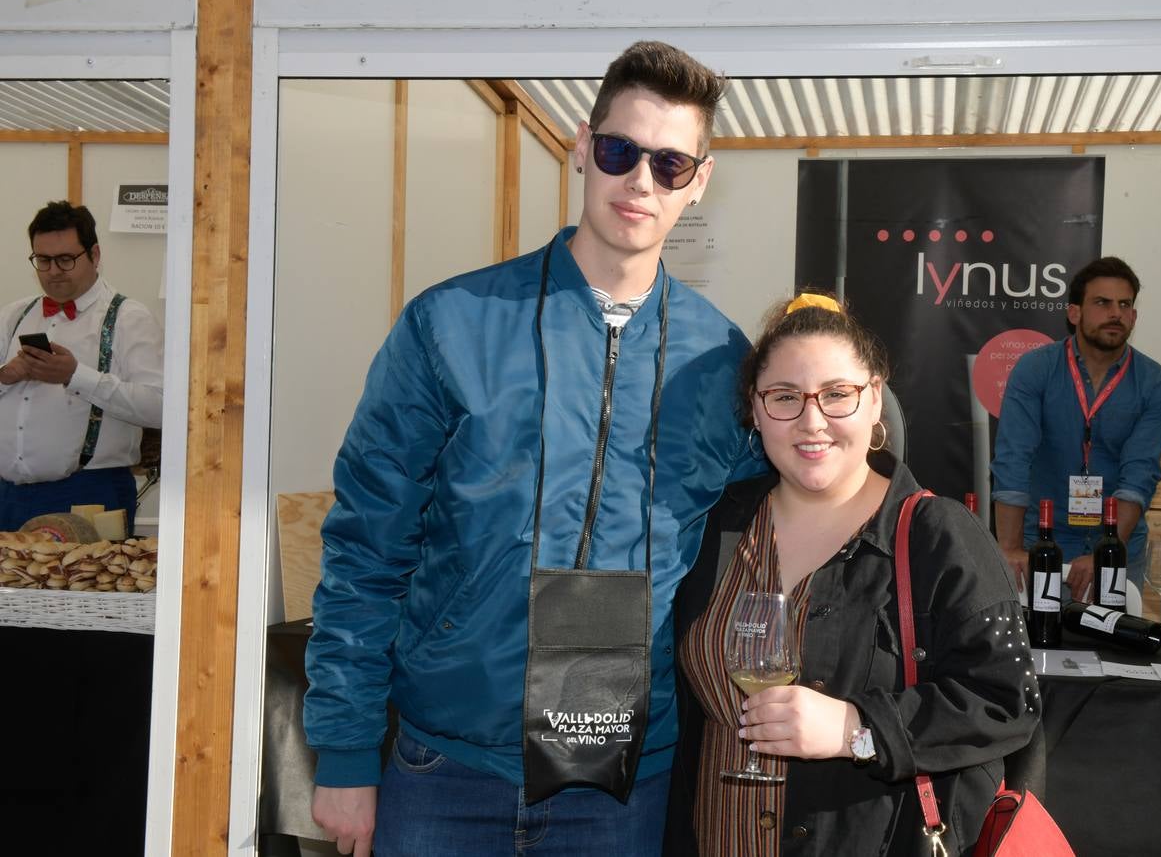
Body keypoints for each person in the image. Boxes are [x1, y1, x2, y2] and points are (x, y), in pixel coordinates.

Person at [305, 41, 761, 857]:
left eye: (669, 163)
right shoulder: (451, 324)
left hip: (620, 782)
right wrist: (344, 753)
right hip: (444, 767)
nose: (640, 182)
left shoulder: (722, 362)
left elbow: (796, 512)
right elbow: (365, 548)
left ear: (700, 180)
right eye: (621, 152)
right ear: (582, 148)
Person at [666, 294, 1039, 856]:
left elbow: (1008, 703)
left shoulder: (938, 534)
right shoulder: (719, 523)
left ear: (873, 400)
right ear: (756, 407)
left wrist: (854, 729)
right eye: (785, 397)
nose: (812, 421)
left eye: (837, 395)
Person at [991, 256, 1161, 604]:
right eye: (1102, 303)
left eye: (1125, 305)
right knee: (1032, 651)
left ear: (1134, 316)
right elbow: (1013, 459)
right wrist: (1010, 547)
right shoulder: (1035, 370)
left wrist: (1107, 551)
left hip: (1117, 549)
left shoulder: (1156, 384)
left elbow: (1139, 476)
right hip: (1039, 546)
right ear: (1074, 313)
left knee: (1112, 655)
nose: (1116, 313)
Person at [0, 200, 163, 533]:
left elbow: (160, 407)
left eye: (66, 259)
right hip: (6, 496)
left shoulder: (129, 318)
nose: (54, 270)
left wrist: (76, 376)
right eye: (43, 260)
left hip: (91, 492)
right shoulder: (14, 314)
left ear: (95, 255)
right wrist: (7, 377)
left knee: (84, 586)